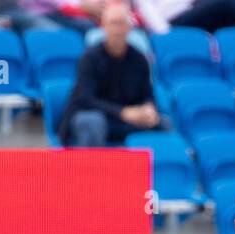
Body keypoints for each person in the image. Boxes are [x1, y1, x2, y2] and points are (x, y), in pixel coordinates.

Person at [60, 3, 160, 147]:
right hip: (91, 115)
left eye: (121, 24)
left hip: (124, 119)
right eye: (113, 24)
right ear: (103, 26)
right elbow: (84, 99)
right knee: (93, 122)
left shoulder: (139, 59)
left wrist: (149, 108)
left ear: (129, 27)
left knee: (163, 124)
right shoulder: (90, 58)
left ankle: (156, 169)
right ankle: (91, 168)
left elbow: (147, 93)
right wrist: (123, 112)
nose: (117, 30)